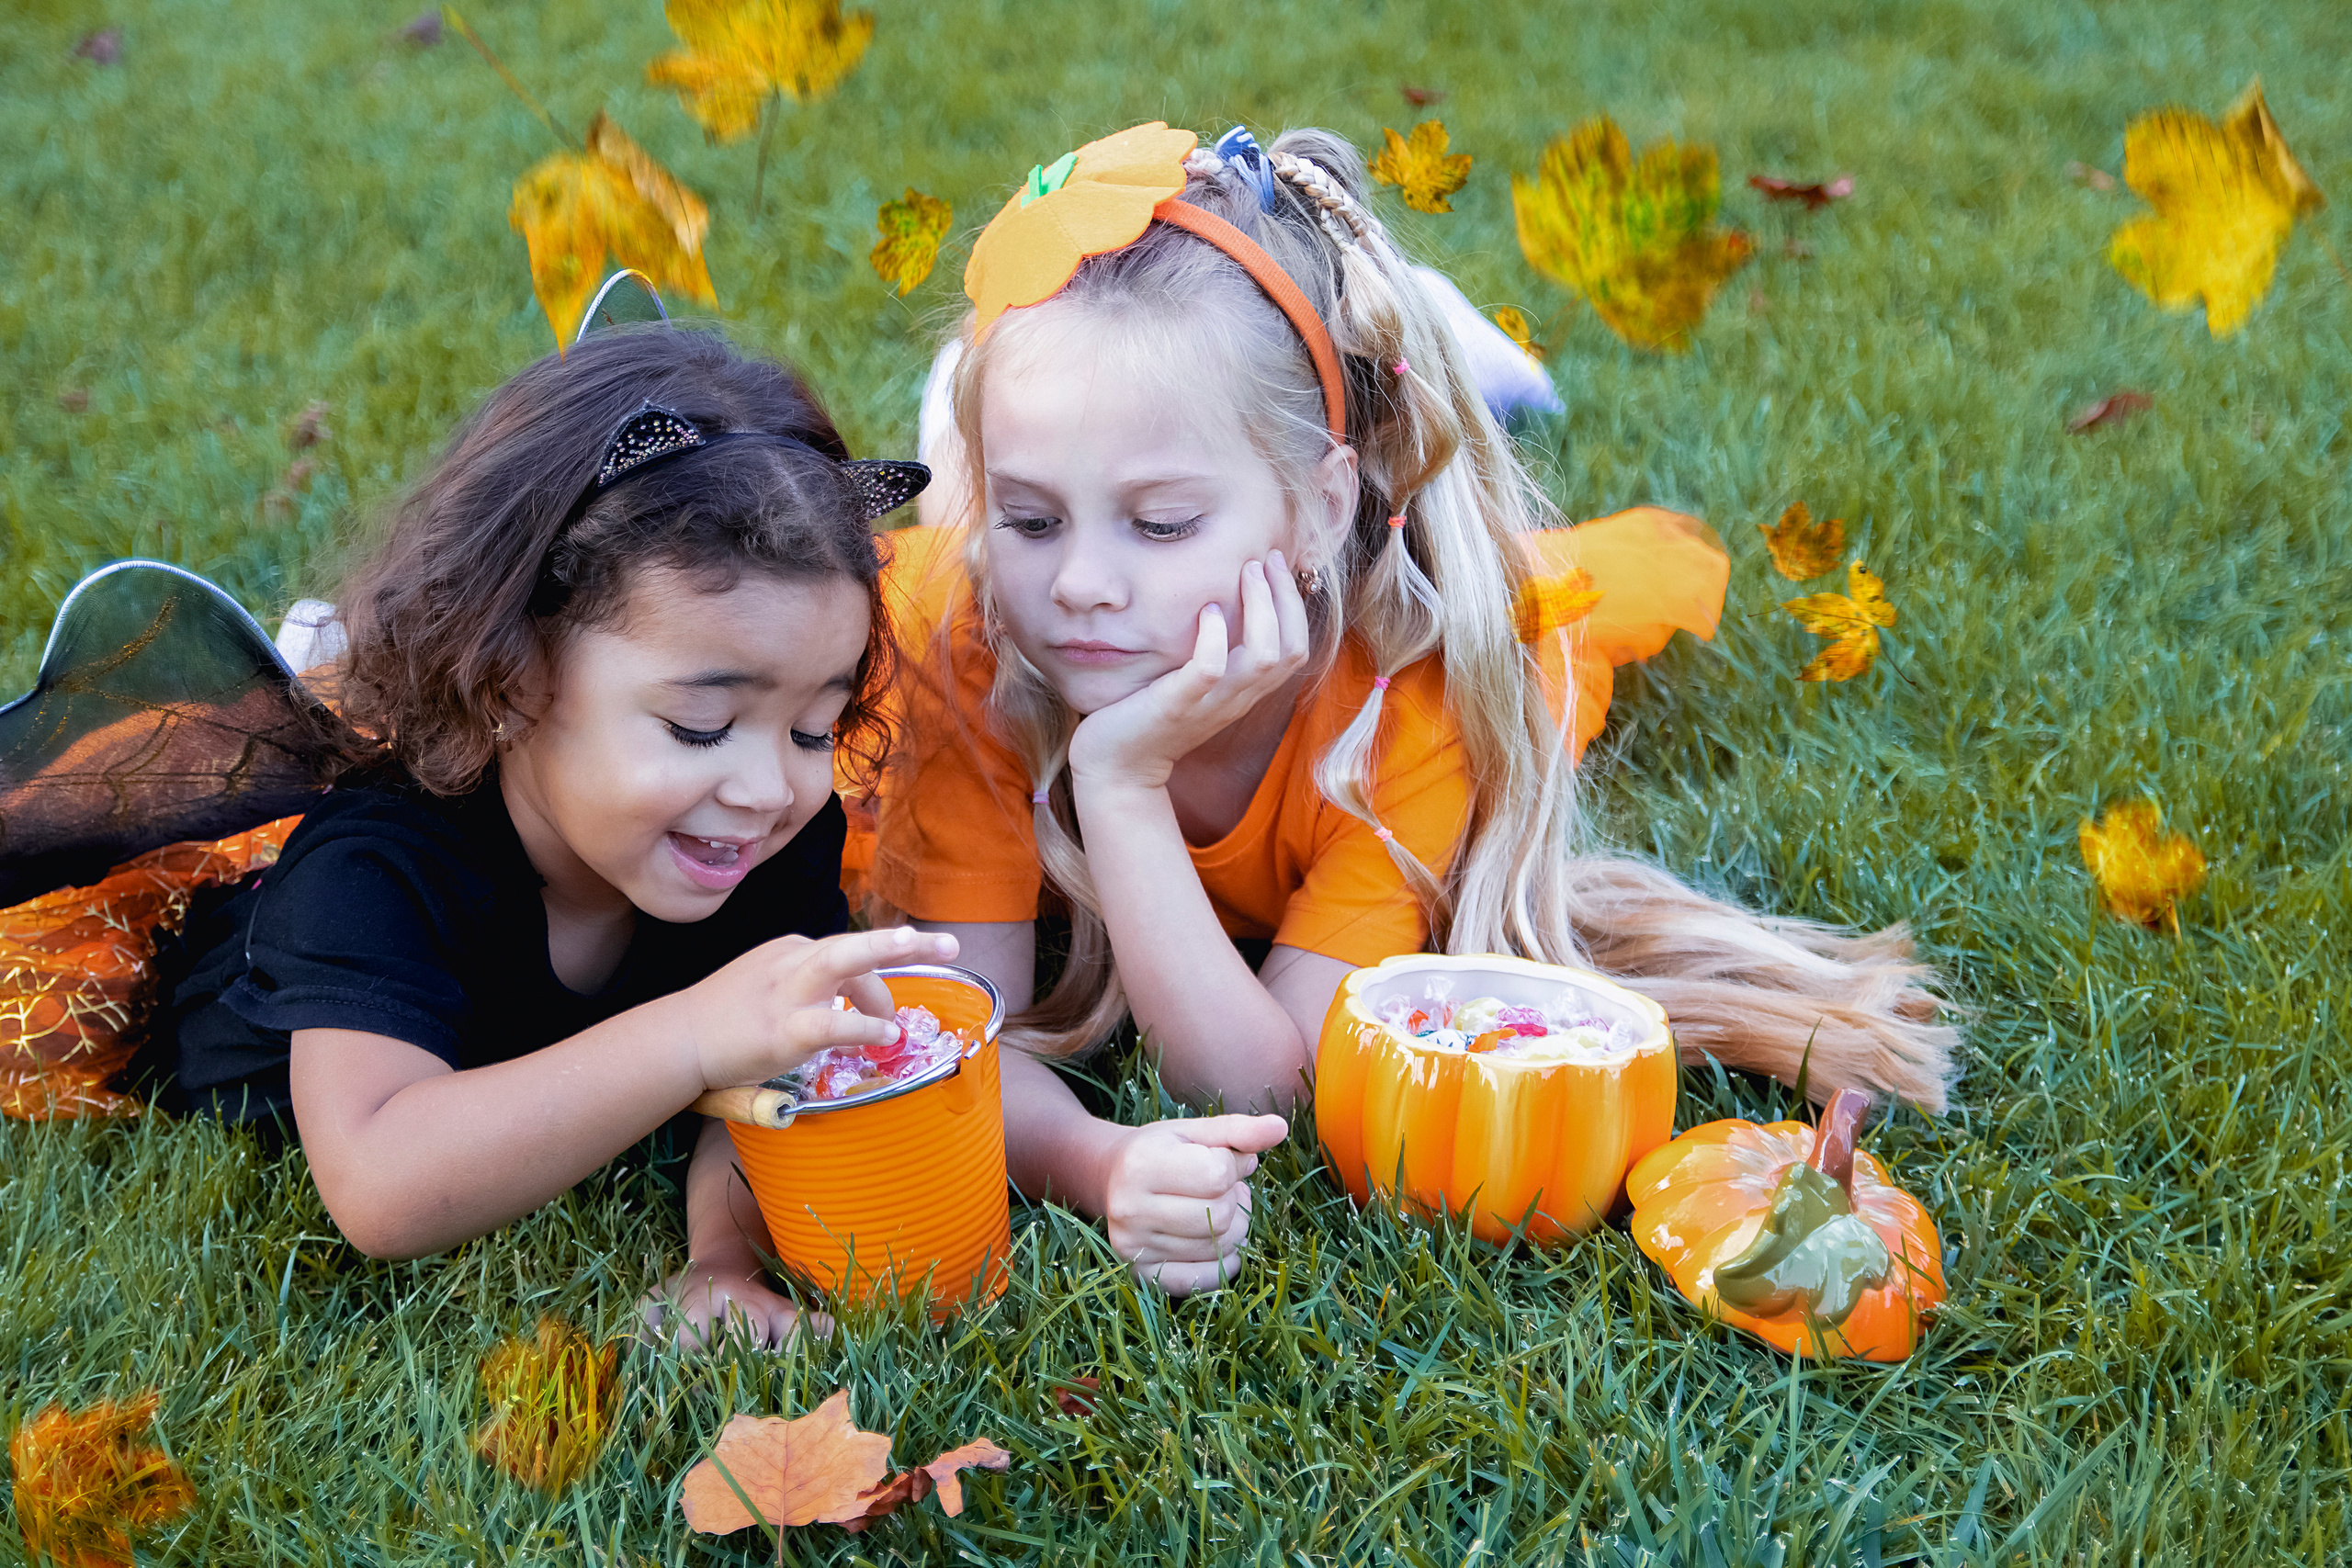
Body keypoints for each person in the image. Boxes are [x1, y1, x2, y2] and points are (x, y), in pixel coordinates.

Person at [859, 123, 1956, 1295]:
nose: (1078, 583)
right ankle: (1013, 429)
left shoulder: (1422, 697)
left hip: (1455, 610)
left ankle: (1427, 339)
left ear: (1320, 510)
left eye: (1160, 523)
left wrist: (1120, 787)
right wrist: (1097, 1158)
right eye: (1030, 519)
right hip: (1081, 524)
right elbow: (956, 1039)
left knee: (1566, 597)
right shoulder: (973, 642)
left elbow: (1262, 1083)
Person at [141, 326, 950, 1346]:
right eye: (700, 726)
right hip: (263, 1010)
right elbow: (381, 1185)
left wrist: (720, 1261)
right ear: (512, 675)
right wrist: (697, 1031)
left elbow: (761, 1080)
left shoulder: (763, 834)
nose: (768, 787)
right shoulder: (375, 868)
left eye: (811, 725)